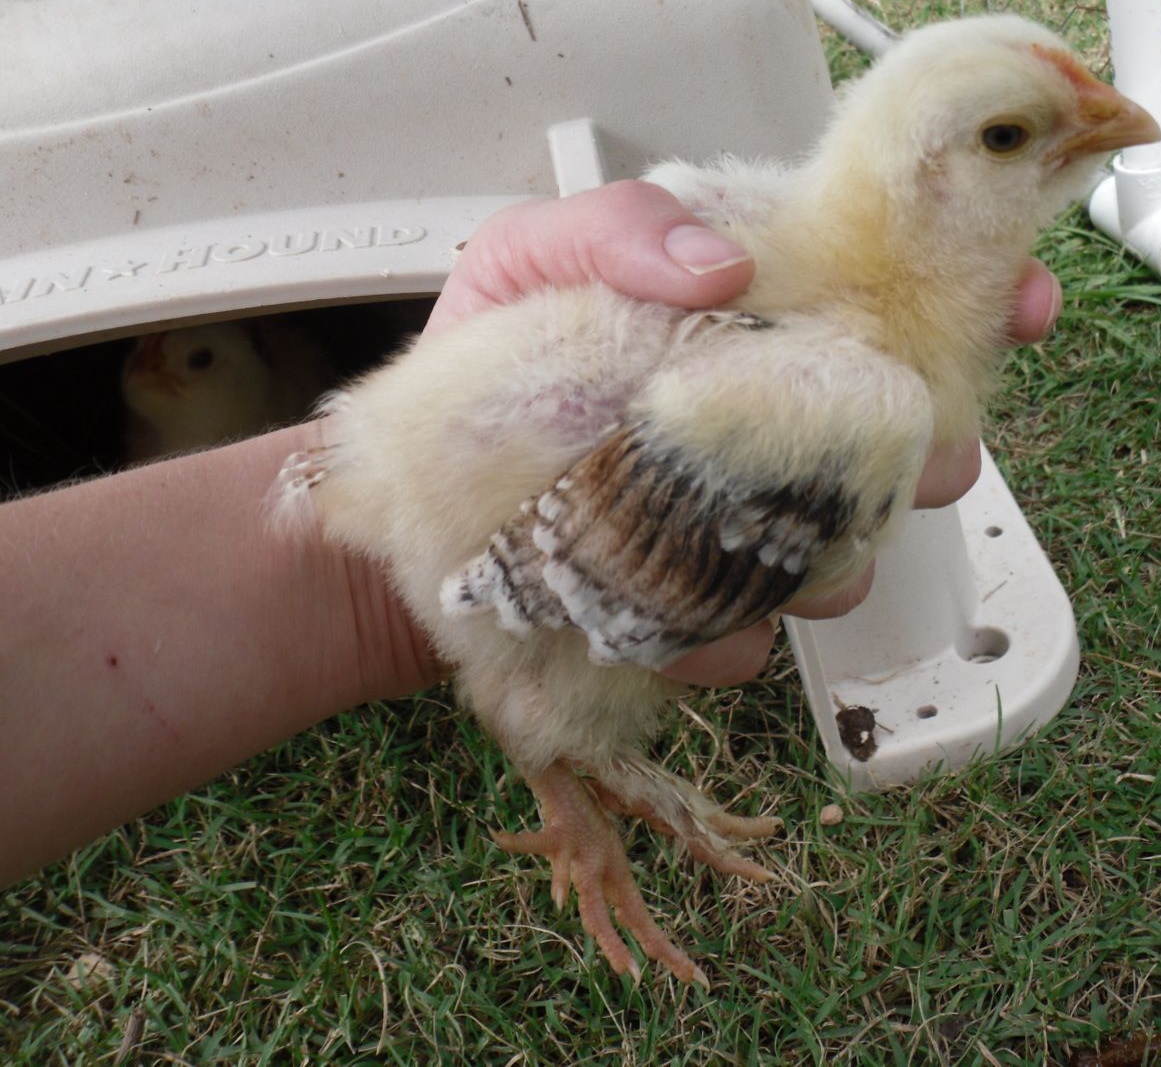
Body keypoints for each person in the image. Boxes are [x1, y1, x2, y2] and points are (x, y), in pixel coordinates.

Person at [0, 181, 1062, 885]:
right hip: (518, 494)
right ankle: (571, 734)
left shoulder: (794, 278)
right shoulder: (829, 356)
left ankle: (567, 728)